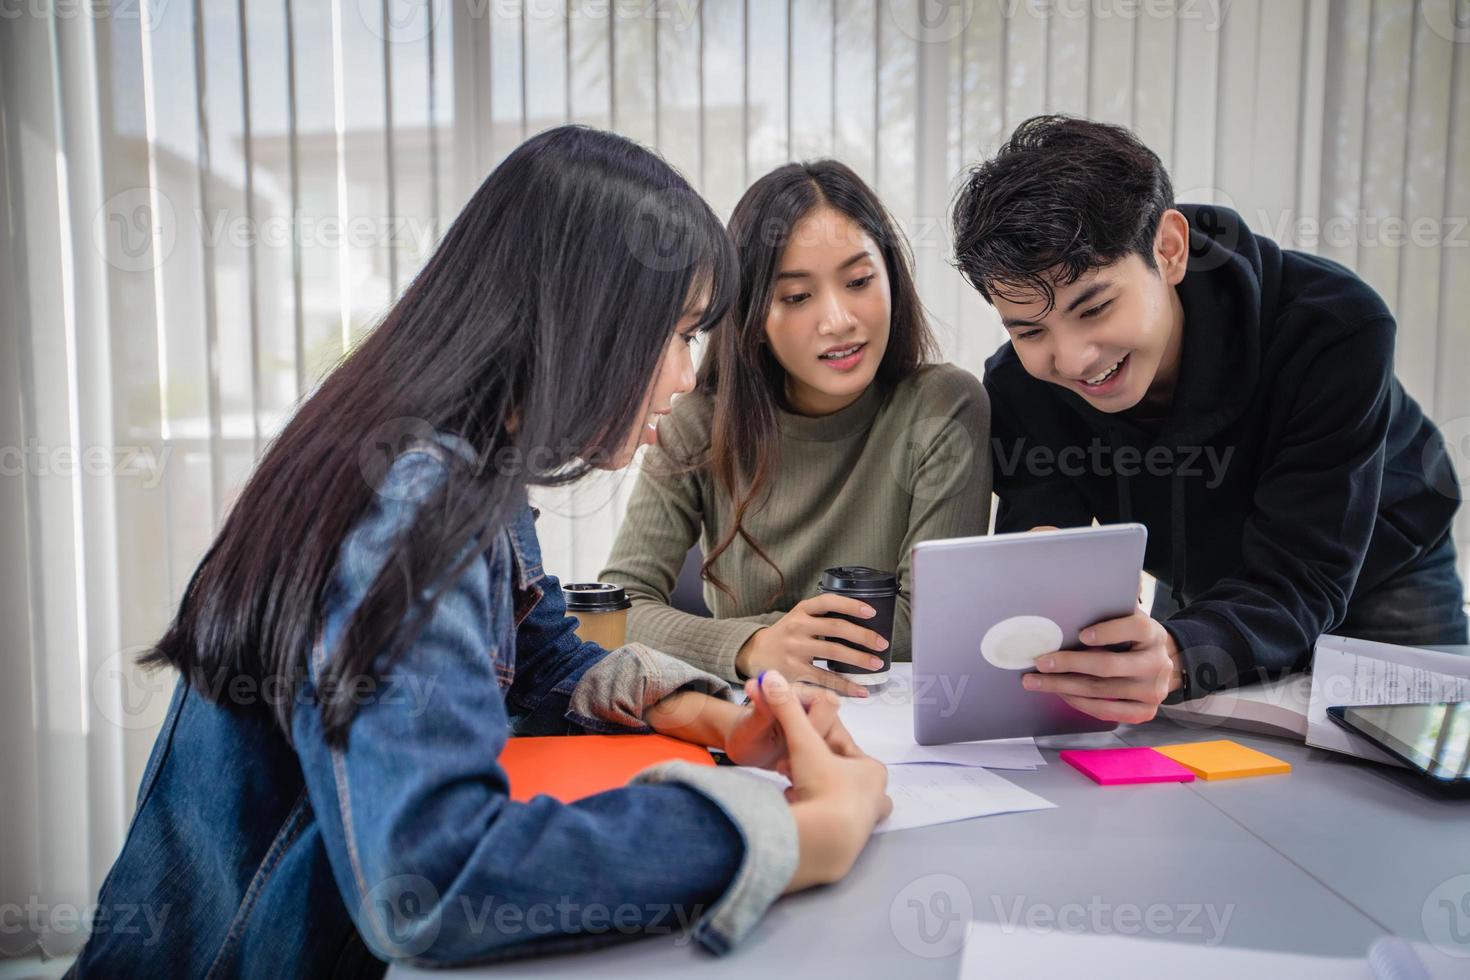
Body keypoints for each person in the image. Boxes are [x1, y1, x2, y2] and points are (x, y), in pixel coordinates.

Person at [68, 127, 890, 978]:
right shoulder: (411, 507)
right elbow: (435, 878)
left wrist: (716, 717)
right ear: (587, 322)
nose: (686, 378)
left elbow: (535, 661)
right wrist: (789, 836)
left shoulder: (461, 461)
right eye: (678, 335)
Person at [950, 114, 1466, 723]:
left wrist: (1179, 649)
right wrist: (1038, 577)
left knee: (1420, 785)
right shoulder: (1020, 383)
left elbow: (1304, 576)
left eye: (1095, 309)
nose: (1072, 360)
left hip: (1380, 570)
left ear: (1169, 250)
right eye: (1030, 330)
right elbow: (1040, 551)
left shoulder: (1333, 328)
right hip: (1210, 579)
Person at [601, 160, 992, 698]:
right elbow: (615, 607)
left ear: (892, 279)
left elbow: (935, 624)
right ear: (754, 317)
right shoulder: (697, 419)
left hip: (896, 718)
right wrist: (751, 646)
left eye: (858, 281)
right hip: (753, 711)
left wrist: (785, 641)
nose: (838, 320)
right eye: (796, 297)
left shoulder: (943, 406)